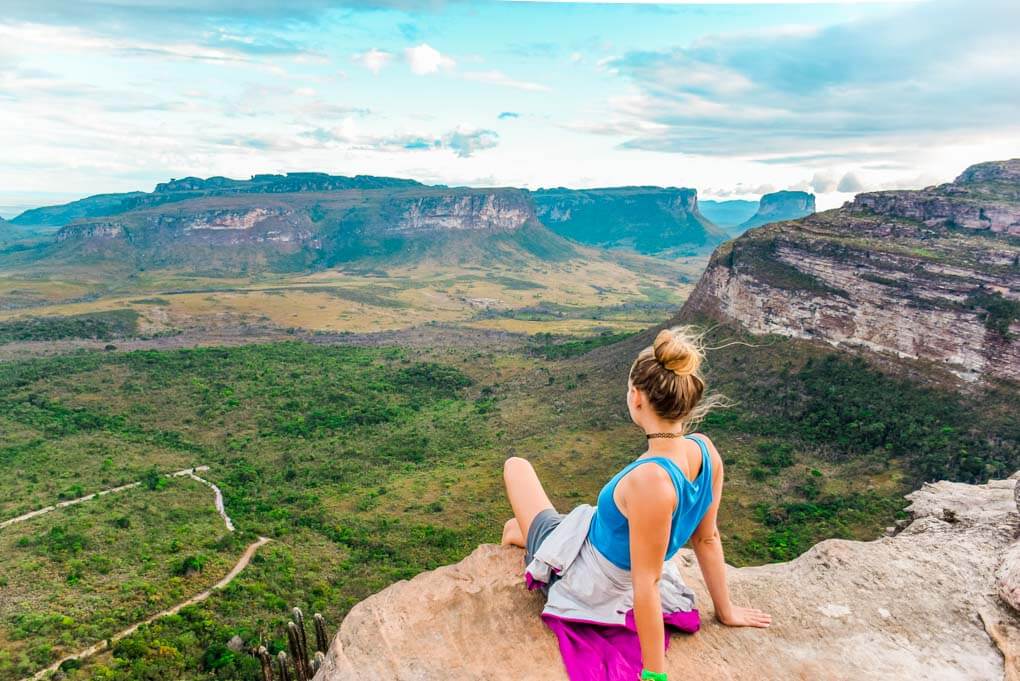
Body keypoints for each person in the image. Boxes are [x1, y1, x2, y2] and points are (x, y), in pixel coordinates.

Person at [502, 326, 771, 681]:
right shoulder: (706, 451)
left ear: (638, 398)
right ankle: (524, 538)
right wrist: (726, 610)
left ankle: (532, 546)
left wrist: (654, 675)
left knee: (516, 467)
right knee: (515, 527)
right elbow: (707, 538)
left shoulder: (650, 481)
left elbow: (647, 583)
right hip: (600, 535)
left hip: (592, 575)